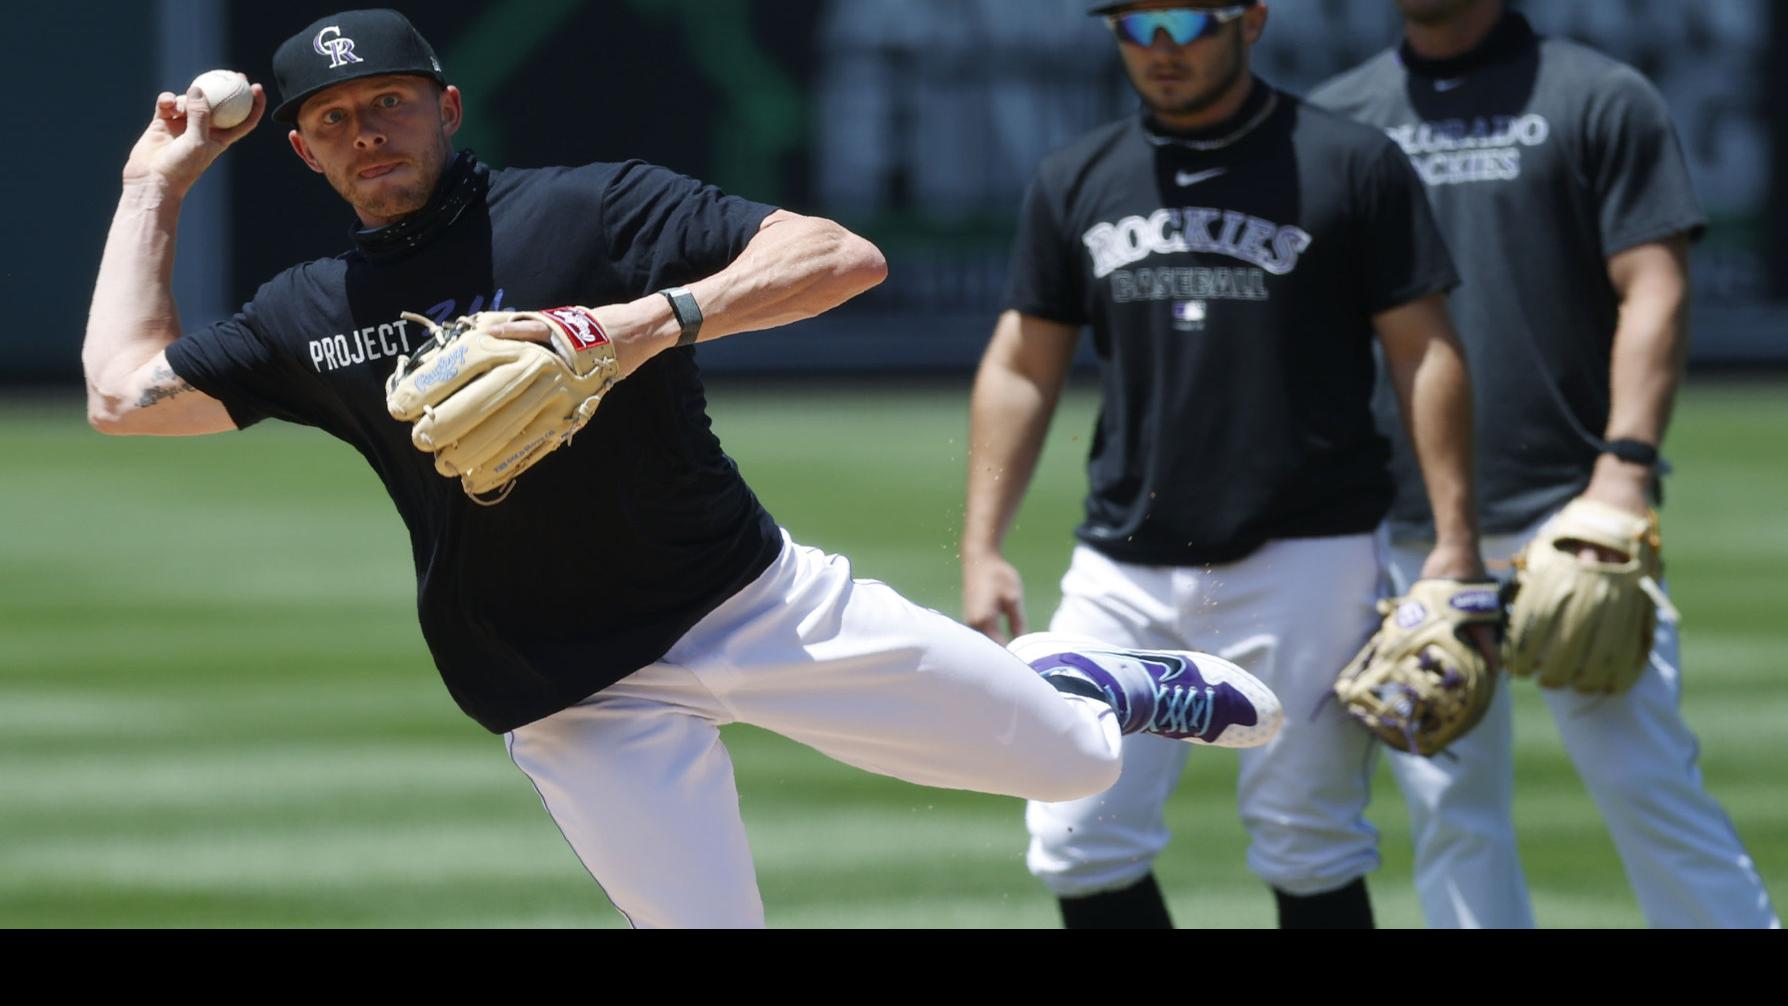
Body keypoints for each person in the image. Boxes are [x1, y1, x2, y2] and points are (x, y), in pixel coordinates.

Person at [82, 8, 1284, 929]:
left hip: (748, 601)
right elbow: (123, 396)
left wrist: (627, 325)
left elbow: (841, 256)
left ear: (448, 108)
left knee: (1074, 761)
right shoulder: (310, 310)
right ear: (301, 150)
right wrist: (155, 180)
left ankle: (1069, 679)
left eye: (388, 101)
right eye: (335, 120)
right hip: (559, 687)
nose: (367, 132)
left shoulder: (588, 212)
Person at [963, 0, 1489, 929]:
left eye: (1185, 22)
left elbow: (1425, 350)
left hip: (1309, 553)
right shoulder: (1076, 177)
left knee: (1309, 837)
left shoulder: (1348, 161)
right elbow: (1020, 365)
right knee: (1077, 841)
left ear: (1250, 20)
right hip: (1123, 562)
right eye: (1135, 26)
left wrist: (1455, 540)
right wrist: (982, 544)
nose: (1160, 51)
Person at [1311, 0, 1779, 929]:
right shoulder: (1341, 116)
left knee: (1647, 785)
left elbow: (1656, 285)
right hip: (1402, 516)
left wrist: (1624, 474)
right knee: (1449, 814)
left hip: (1569, 514)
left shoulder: (1598, 95)